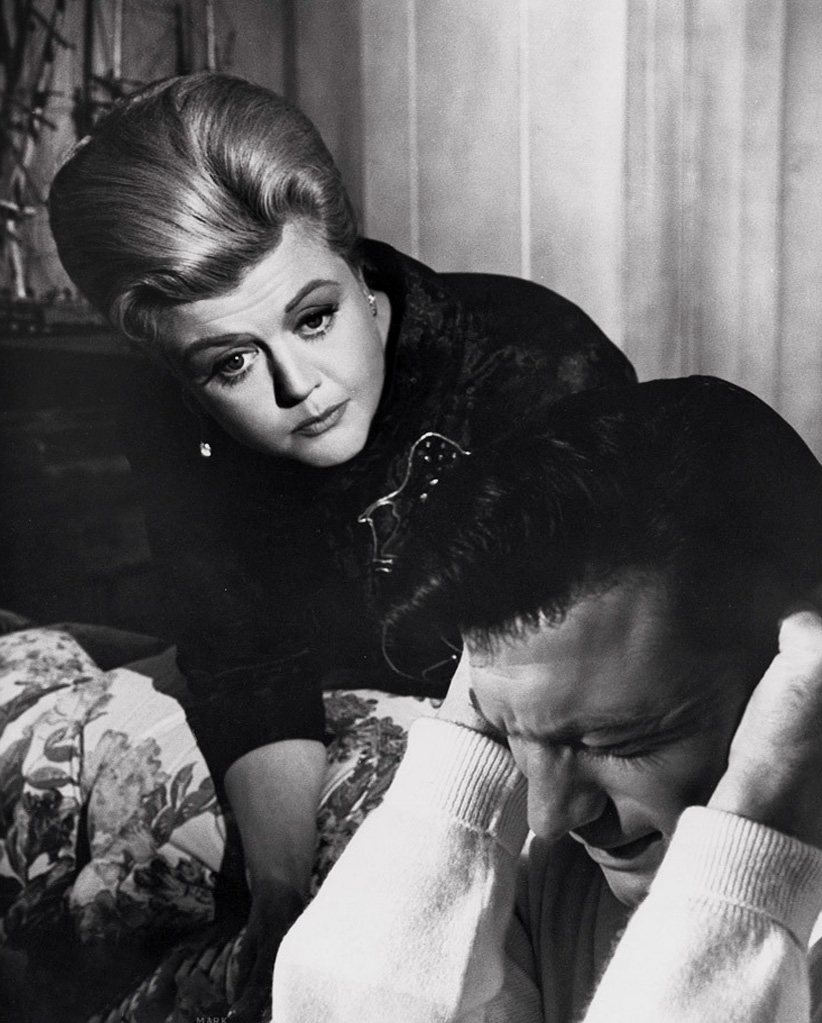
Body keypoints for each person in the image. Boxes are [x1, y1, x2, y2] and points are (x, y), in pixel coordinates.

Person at [46, 71, 636, 1017]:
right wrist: (278, 897)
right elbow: (246, 658)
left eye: (313, 316)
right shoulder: (173, 423)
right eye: (231, 362)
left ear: (356, 265)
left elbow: (606, 668)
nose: (299, 385)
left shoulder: (533, 362)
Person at [272, 375, 822, 1022]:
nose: (548, 816)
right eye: (506, 735)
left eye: (618, 741)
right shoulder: (536, 876)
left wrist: (755, 844)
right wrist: (461, 774)